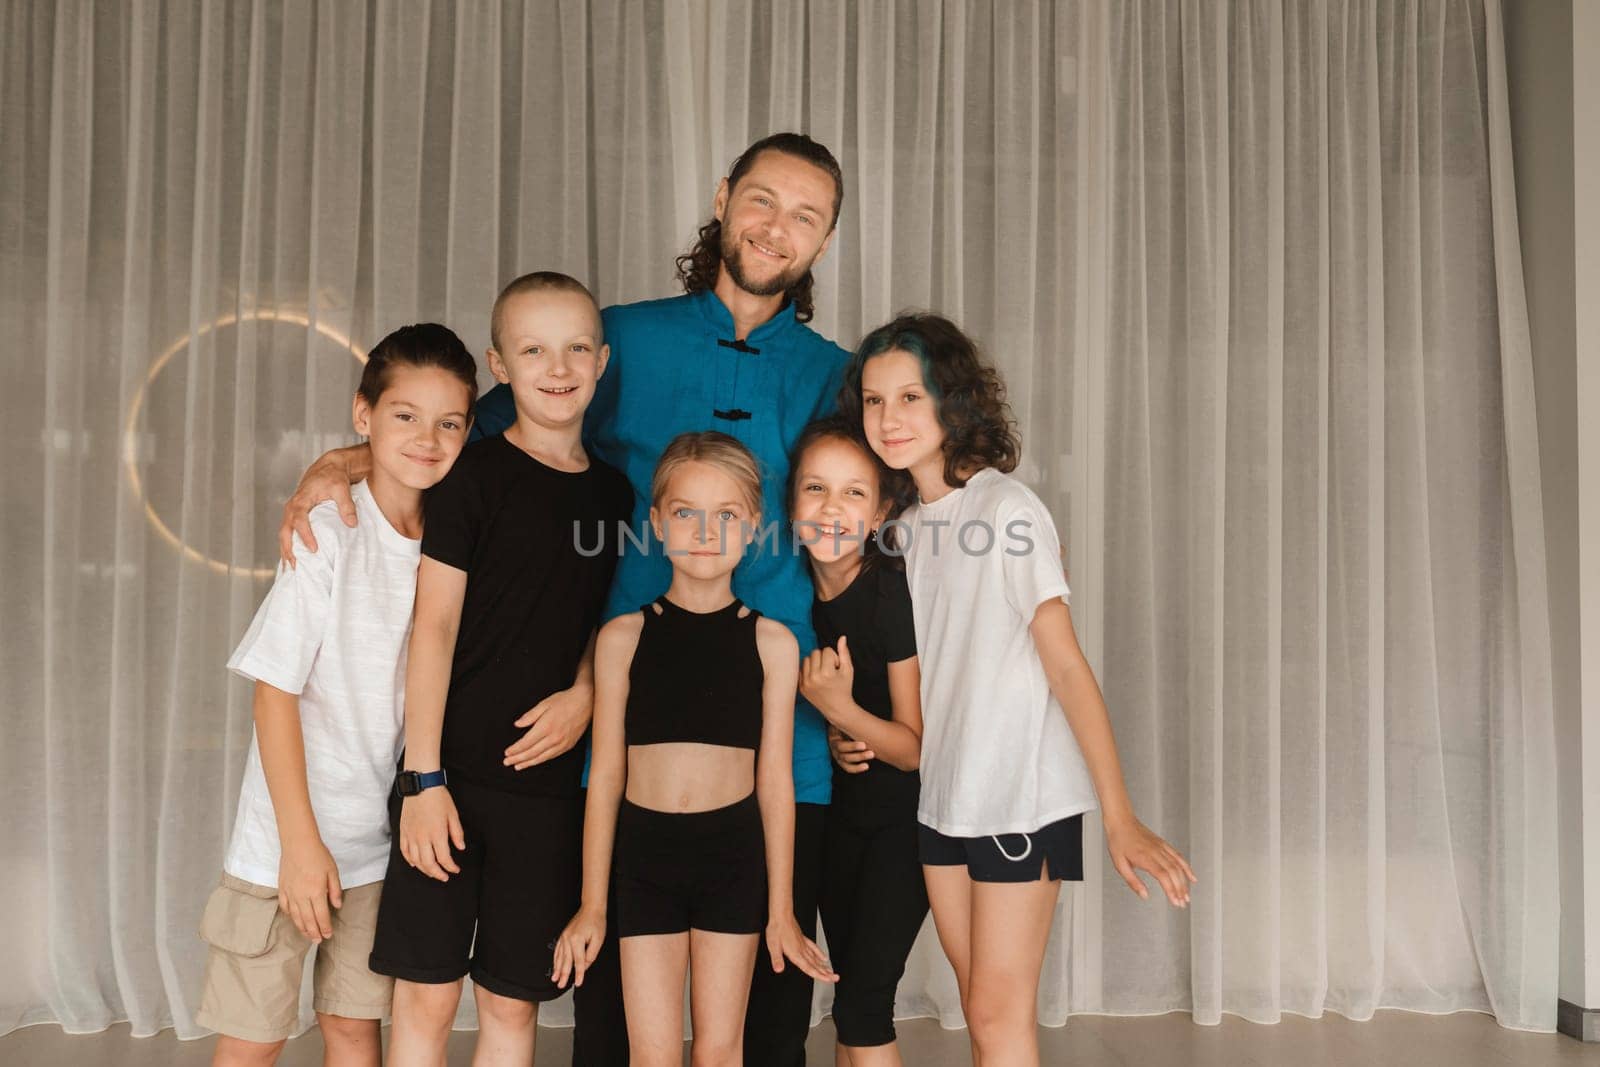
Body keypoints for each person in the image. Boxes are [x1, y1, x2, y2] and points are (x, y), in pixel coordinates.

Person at [276, 131, 852, 1067]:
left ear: (825, 239)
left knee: (765, 1031)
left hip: (772, 729)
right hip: (614, 716)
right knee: (616, 1028)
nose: (776, 226)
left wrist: (856, 694)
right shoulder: (617, 337)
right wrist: (344, 459)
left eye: (805, 214)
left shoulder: (832, 370)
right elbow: (468, 427)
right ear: (723, 197)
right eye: (761, 199)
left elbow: (862, 508)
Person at [843, 313, 1198, 1066]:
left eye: (911, 396)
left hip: (1021, 797)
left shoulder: (1007, 510)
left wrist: (1120, 816)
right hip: (943, 796)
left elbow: (1066, 665)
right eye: (874, 401)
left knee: (1001, 1019)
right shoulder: (904, 525)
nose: (889, 418)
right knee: (981, 1012)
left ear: (953, 401)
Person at [364, 273, 632, 1067]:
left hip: (547, 796)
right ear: (500, 364)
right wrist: (423, 779)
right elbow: (434, 627)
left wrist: (586, 690)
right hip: (448, 782)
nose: (558, 364)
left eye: (577, 346)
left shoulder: (616, 496)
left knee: (511, 1006)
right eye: (533, 348)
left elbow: (602, 621)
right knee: (426, 995)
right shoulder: (470, 477)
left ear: (603, 360)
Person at [197, 324, 478, 1067]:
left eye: (449, 422)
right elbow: (273, 693)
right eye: (404, 415)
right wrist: (298, 846)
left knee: (354, 1030)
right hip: (284, 844)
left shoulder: (457, 535)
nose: (427, 437)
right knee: (254, 1036)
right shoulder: (331, 527)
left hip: (376, 848)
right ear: (364, 416)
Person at [551, 431, 837, 1066]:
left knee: (718, 1050)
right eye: (686, 513)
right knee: (651, 1053)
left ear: (754, 526)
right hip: (643, 859)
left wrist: (783, 910)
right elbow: (605, 779)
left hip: (732, 860)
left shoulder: (773, 644)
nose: (706, 532)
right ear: (656, 522)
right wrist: (592, 904)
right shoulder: (622, 638)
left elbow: (776, 784)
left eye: (726, 516)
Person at [789, 416, 928, 1067]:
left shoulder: (889, 588)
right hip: (841, 816)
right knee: (850, 998)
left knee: (865, 1005)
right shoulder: (791, 593)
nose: (830, 509)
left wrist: (841, 709)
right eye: (815, 488)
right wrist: (841, 731)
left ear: (879, 513)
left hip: (909, 821)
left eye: (852, 493)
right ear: (791, 502)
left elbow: (913, 746)